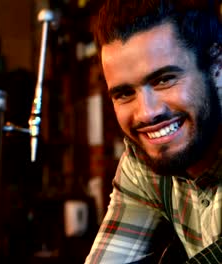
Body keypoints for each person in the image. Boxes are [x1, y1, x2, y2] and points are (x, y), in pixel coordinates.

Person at [85, 0, 222, 263]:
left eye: (164, 79)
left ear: (216, 64)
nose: (147, 113)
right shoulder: (144, 161)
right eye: (124, 94)